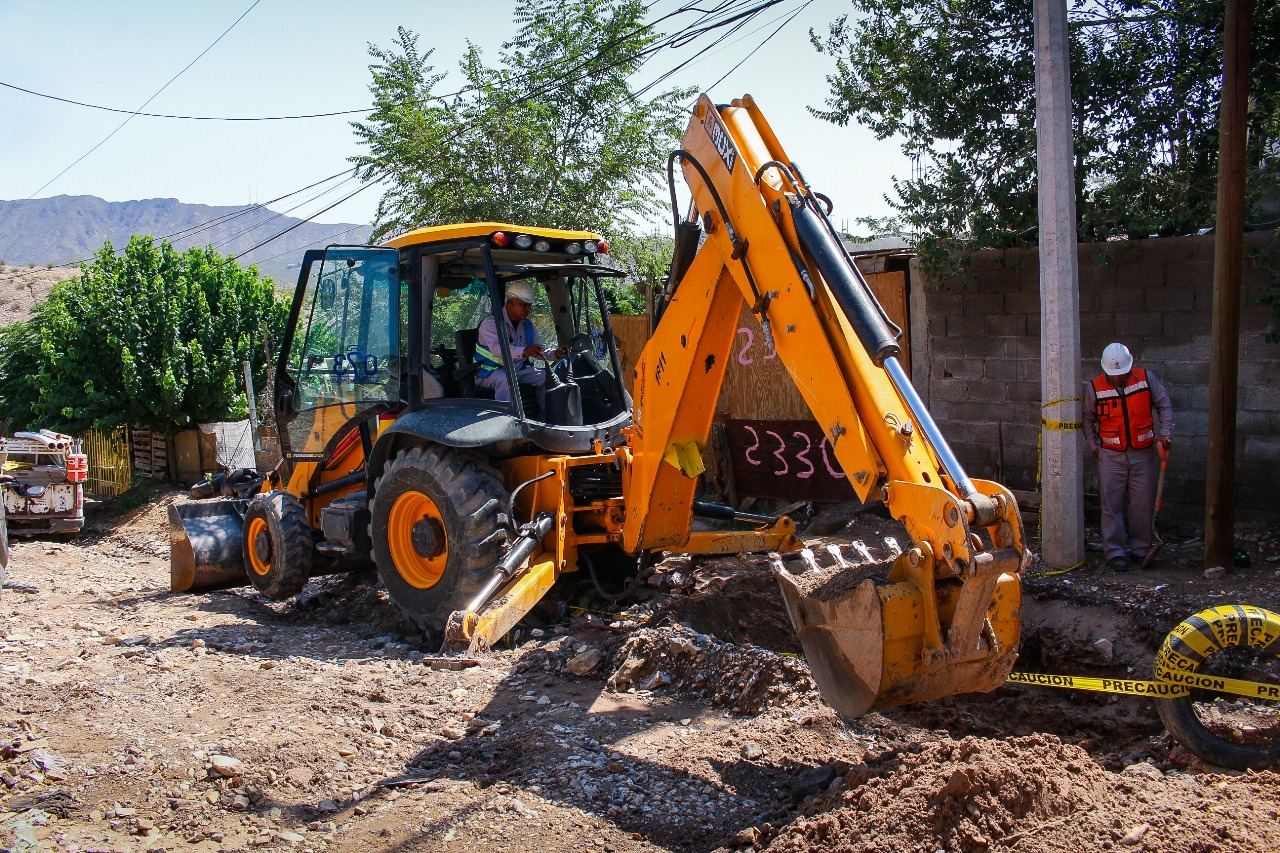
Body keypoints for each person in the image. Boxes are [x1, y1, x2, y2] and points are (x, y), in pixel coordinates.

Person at [1083, 342, 1174, 572]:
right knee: (1110, 506)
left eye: (1121, 374)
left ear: (1129, 368)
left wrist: (1165, 434)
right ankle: (1115, 553)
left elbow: (1164, 406)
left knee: (1142, 504)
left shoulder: (1146, 379)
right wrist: (1095, 448)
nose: (1117, 379)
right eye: (1113, 375)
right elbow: (1088, 420)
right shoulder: (1094, 388)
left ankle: (1141, 550)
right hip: (1110, 457)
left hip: (1142, 454)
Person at [474, 281, 567, 403]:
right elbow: (497, 349)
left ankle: (546, 417)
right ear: (511, 302)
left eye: (529, 305)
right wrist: (523, 351)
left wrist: (556, 354)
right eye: (523, 305)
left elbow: (539, 349)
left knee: (547, 378)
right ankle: (507, 418)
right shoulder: (491, 323)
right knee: (506, 380)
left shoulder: (528, 325)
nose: (528, 309)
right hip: (490, 372)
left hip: (517, 370)